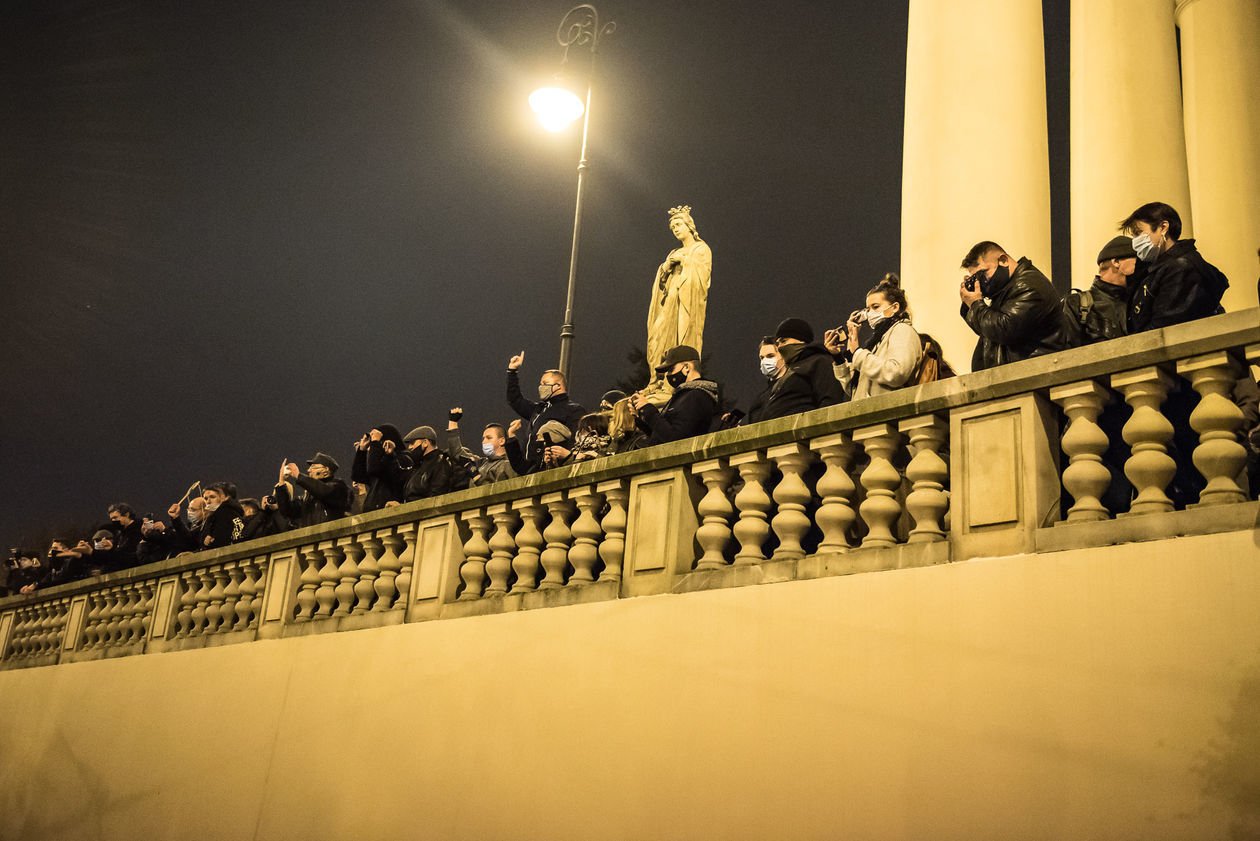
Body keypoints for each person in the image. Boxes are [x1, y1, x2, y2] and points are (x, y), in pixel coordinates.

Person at [1119, 201, 1229, 332]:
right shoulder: (1155, 268)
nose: (1135, 242)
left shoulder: (1182, 268)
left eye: (1138, 233)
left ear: (1163, 227)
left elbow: (1165, 326)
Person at [959, 241, 1067, 370]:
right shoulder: (1005, 290)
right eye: (975, 278)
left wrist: (976, 304)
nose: (981, 282)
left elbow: (1004, 329)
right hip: (1013, 379)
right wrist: (969, 304)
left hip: (1034, 378)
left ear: (1003, 260)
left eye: (983, 274)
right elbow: (986, 329)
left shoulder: (1030, 285)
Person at [644, 205, 713, 400]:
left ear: (689, 226)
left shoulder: (701, 249)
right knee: (658, 340)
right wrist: (665, 267)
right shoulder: (674, 252)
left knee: (681, 341)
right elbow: (662, 285)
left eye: (678, 224)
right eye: (672, 226)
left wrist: (684, 262)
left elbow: (701, 279)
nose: (675, 228)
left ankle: (672, 384)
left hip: (686, 307)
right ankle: (657, 382)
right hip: (669, 307)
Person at [826, 275, 922, 400]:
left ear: (895, 307)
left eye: (875, 307)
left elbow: (896, 373)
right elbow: (854, 389)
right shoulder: (877, 341)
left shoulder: (902, 330)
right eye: (867, 309)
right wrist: (838, 357)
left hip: (889, 414)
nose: (870, 313)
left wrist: (858, 353)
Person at [744, 317, 846, 419]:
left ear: (800, 339)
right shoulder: (790, 371)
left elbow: (830, 399)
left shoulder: (820, 361)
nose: (780, 347)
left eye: (784, 341)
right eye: (778, 343)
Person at [630, 345, 720, 446]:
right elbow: (662, 436)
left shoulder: (696, 396)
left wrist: (648, 409)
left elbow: (676, 439)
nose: (667, 375)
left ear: (687, 367)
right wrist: (640, 416)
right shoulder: (684, 395)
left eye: (671, 369)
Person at [505, 352, 585, 463]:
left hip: (552, 468)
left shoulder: (574, 410)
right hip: (530, 469)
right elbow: (515, 400)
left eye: (545, 383)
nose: (541, 387)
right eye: (540, 383)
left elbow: (576, 441)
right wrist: (512, 371)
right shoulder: (539, 409)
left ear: (558, 386)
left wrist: (565, 459)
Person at [1064, 236, 1138, 346]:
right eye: (1137, 263)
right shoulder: (1077, 304)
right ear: (1116, 262)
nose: (1141, 268)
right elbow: (1067, 353)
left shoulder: (1139, 300)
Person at [274, 452, 352, 528]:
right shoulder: (308, 496)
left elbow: (324, 492)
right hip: (312, 539)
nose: (308, 470)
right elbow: (287, 511)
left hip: (331, 537)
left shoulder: (339, 487)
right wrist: (281, 482)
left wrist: (298, 476)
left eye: (313, 467)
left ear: (326, 470)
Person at [446, 410, 517, 486]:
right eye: (483, 438)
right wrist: (453, 422)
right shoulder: (481, 463)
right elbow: (457, 452)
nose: (484, 442)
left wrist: (477, 477)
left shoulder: (509, 465)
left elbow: (504, 493)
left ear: (502, 441)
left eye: (489, 438)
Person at [351, 424, 411, 512]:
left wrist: (375, 443)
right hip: (373, 512)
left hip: (390, 511)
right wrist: (361, 451)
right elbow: (358, 476)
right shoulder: (380, 462)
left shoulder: (402, 458)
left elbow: (374, 469)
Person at [399, 426, 455, 503]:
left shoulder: (440, 462)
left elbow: (436, 498)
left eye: (412, 443)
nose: (409, 447)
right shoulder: (418, 466)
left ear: (425, 442)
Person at [199, 482, 246, 550]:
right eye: (205, 499)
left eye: (212, 497)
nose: (208, 502)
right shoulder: (213, 517)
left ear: (225, 497)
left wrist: (210, 542)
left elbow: (221, 541)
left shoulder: (225, 513)